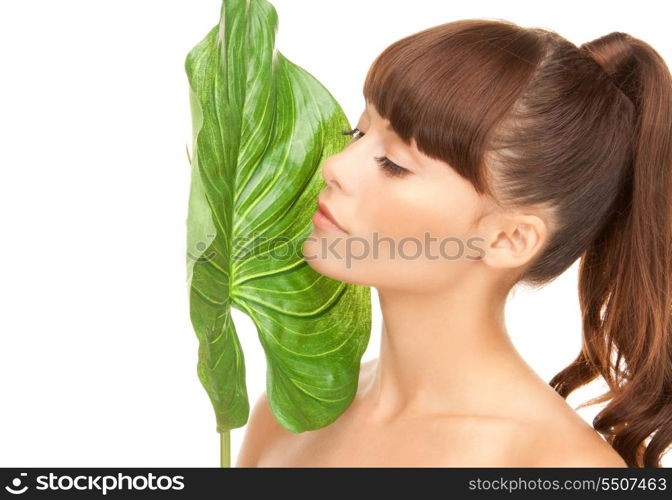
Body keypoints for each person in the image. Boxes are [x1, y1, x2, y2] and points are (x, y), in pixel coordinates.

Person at [236, 19, 672, 467]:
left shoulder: (558, 467)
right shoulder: (286, 417)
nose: (336, 167)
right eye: (359, 133)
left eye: (393, 163)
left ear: (508, 238)